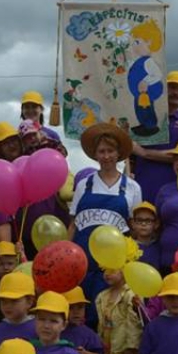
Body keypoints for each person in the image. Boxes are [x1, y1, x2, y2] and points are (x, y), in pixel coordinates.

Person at [68, 123, 142, 319]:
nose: (106, 156)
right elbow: (73, 224)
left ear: (118, 154)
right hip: (82, 263)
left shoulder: (133, 188)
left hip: (112, 270)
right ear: (95, 154)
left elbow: (135, 230)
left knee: (109, 318)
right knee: (79, 313)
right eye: (102, 151)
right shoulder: (84, 184)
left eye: (110, 151)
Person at [130, 70, 178, 205]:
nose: (176, 92)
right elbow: (130, 153)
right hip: (139, 191)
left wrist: (143, 152)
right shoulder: (143, 119)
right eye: (172, 87)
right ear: (164, 89)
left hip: (174, 195)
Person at [0, 271, 37, 354]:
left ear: (29, 301)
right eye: (3, 301)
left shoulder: (37, 328)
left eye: (14, 301)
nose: (7, 306)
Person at [129, 201, 161, 272]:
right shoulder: (128, 247)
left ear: (156, 224)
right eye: (139, 220)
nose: (143, 224)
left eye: (148, 221)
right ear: (133, 223)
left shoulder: (160, 246)